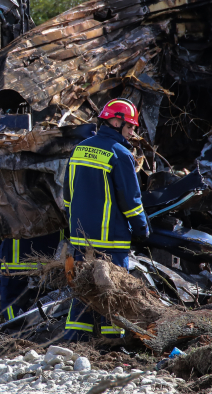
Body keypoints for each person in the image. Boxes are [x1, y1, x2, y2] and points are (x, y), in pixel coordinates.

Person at [62, 99, 150, 341]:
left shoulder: (80, 149)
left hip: (81, 236)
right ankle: (113, 341)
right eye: (130, 126)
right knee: (114, 289)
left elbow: (67, 195)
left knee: (84, 286)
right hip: (111, 237)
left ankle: (77, 340)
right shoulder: (120, 154)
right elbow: (130, 199)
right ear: (115, 121)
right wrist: (141, 227)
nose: (133, 132)